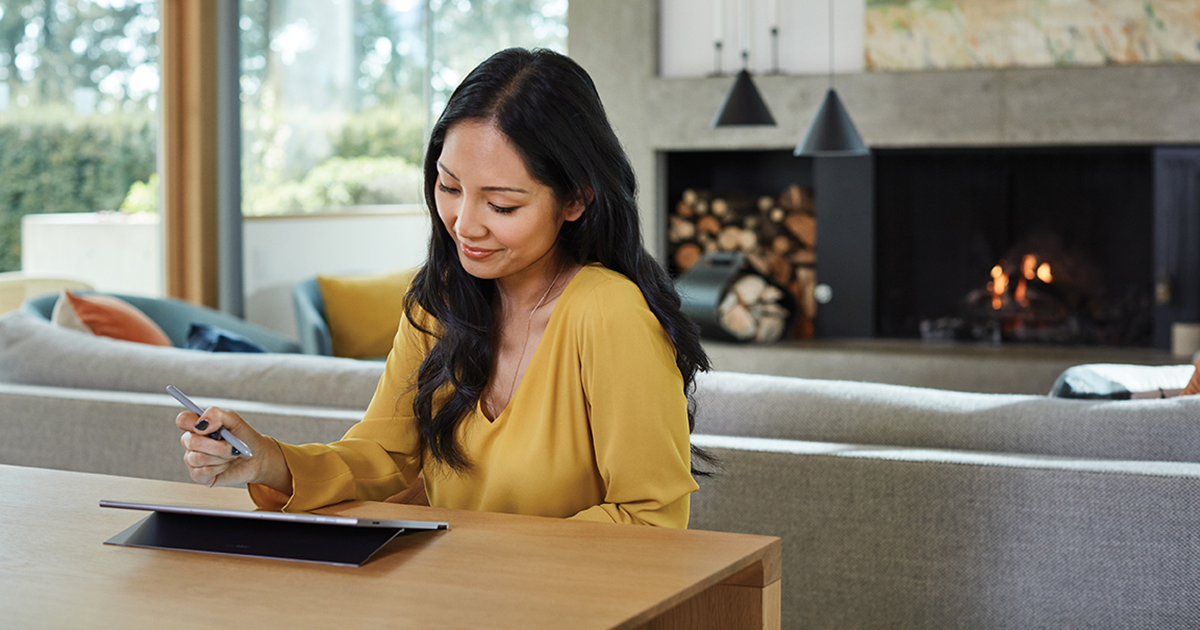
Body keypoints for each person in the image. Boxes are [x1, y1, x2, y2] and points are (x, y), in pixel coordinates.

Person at [177, 48, 711, 528]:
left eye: (502, 205)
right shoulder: (440, 304)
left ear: (575, 200)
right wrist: (266, 459)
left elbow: (651, 520)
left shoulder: (610, 313)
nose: (464, 224)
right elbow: (383, 455)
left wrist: (485, 561)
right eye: (449, 187)